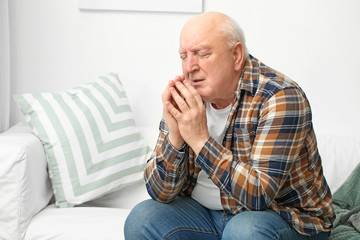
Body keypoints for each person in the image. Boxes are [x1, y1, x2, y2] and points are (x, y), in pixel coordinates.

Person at [124, 11, 334, 239]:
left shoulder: (280, 97)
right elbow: (160, 192)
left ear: (236, 55)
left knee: (244, 231)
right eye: (184, 56)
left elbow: (258, 196)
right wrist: (175, 137)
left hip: (282, 219)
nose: (189, 67)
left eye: (202, 54)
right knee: (142, 219)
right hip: (207, 216)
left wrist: (199, 141)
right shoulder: (187, 97)